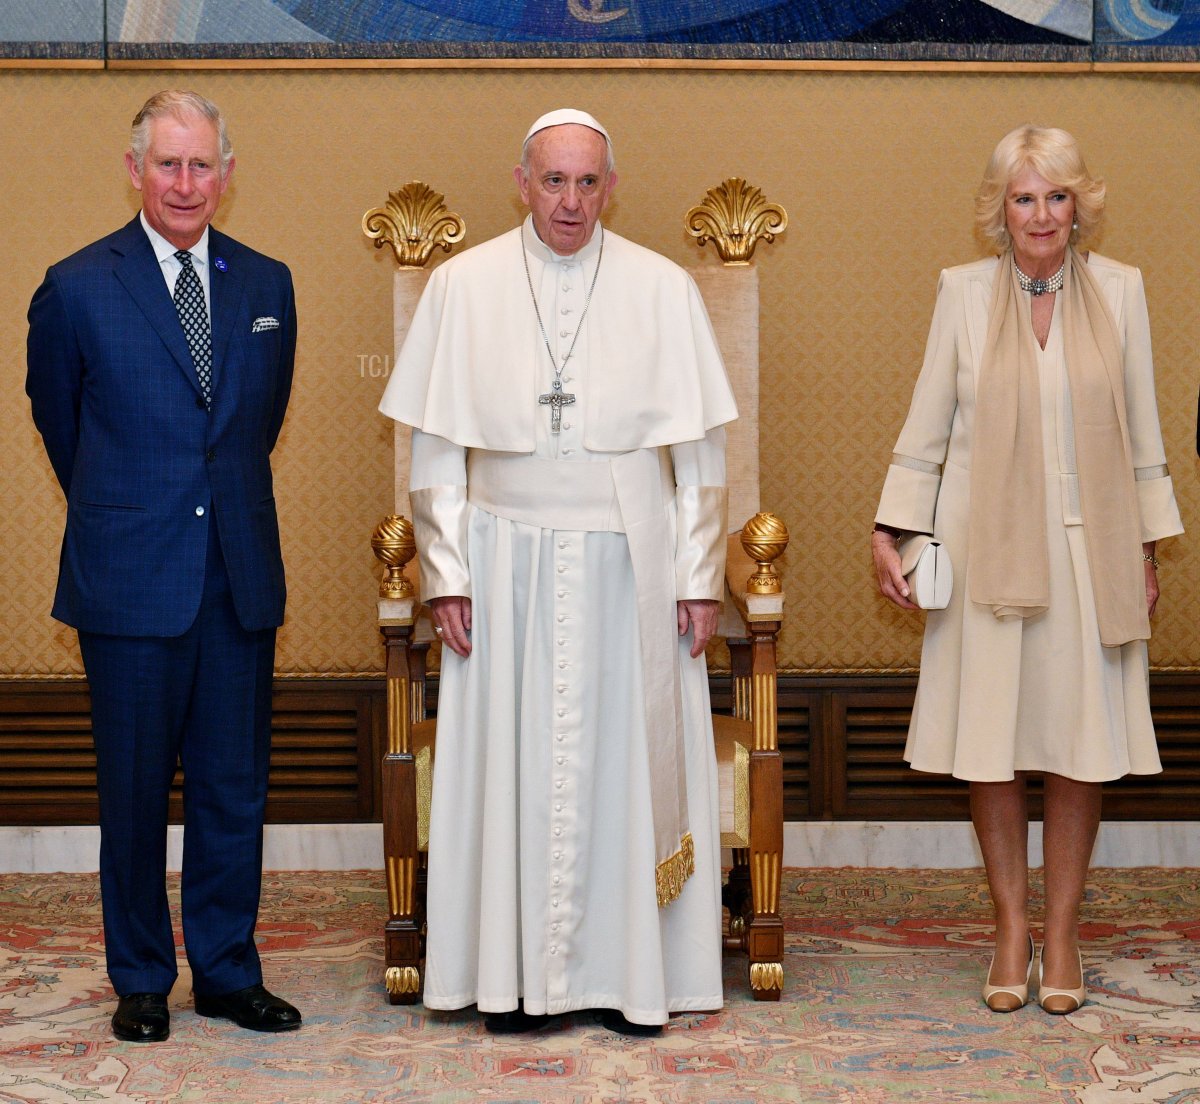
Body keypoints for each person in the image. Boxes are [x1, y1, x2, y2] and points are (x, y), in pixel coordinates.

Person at [379, 108, 736, 1035]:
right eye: (553, 181)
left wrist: (699, 575)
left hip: (632, 559)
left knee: (621, 759)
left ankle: (627, 978)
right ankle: (510, 976)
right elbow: (435, 448)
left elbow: (698, 453)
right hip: (503, 561)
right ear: (521, 180)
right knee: (513, 764)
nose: (570, 201)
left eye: (588, 183)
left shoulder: (662, 288)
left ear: (611, 188)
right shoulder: (463, 286)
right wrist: (446, 574)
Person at [872, 125, 1182, 1015]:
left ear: (1078, 203)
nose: (1041, 213)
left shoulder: (1122, 292)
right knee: (995, 745)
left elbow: (1144, 433)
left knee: (1079, 748)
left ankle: (1062, 930)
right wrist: (893, 528)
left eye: (1055, 195)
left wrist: (1146, 551)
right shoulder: (961, 294)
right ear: (998, 210)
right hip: (982, 551)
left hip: (1093, 549)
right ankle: (1011, 925)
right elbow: (928, 422)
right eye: (1023, 196)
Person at [26, 90, 300, 1042]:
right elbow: (63, 428)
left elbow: (251, 430)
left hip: (236, 576)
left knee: (233, 789)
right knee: (134, 791)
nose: (187, 183)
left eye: (203, 165)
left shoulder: (267, 285)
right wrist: (133, 508)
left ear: (227, 175)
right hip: (129, 578)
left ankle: (227, 971)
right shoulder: (75, 286)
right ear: (136, 168)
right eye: (169, 164)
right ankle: (142, 977)